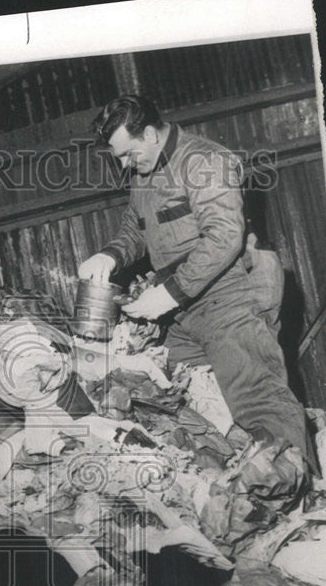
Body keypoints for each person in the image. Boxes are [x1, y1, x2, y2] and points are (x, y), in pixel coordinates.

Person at [78, 95, 310, 462]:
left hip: (227, 298)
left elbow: (224, 236)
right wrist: (110, 255)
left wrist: (169, 294)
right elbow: (135, 231)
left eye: (127, 153)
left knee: (259, 400)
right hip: (184, 311)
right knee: (172, 396)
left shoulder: (203, 161)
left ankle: (306, 501)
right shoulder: (145, 173)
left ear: (151, 134)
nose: (123, 164)